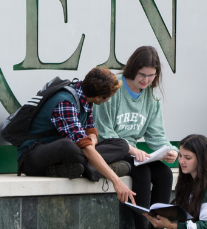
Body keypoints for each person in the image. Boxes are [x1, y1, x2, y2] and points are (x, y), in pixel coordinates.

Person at [17, 67, 137, 203]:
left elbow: (91, 131)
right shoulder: (65, 102)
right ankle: (98, 169)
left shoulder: (85, 98)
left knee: (121, 144)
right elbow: (84, 146)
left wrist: (91, 144)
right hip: (34, 156)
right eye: (109, 96)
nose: (109, 100)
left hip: (70, 155)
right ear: (99, 97)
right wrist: (116, 181)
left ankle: (87, 167)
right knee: (67, 146)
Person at [97, 46, 179, 229]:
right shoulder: (113, 88)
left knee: (165, 174)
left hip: (132, 153)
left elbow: (156, 135)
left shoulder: (151, 98)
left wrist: (171, 151)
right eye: (142, 74)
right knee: (142, 172)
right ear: (133, 69)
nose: (146, 80)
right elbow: (103, 131)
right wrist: (132, 150)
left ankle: (157, 225)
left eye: (151, 76)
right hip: (110, 148)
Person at [145, 134, 207, 229]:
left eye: (187, 158)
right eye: (180, 156)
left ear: (201, 159)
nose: (181, 161)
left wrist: (170, 225)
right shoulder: (186, 181)